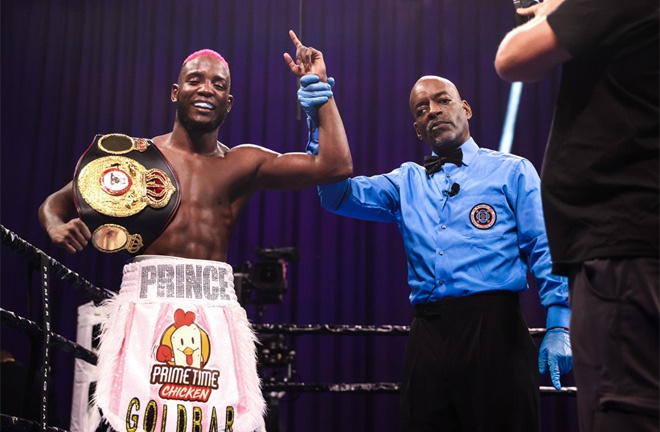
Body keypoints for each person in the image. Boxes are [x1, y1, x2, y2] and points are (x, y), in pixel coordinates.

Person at [38, 30, 352, 432]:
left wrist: (318, 88)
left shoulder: (244, 163)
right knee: (135, 423)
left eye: (218, 84)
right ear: (175, 92)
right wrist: (56, 227)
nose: (206, 89)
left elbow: (335, 165)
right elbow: (56, 202)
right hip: (144, 302)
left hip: (214, 307)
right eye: (195, 80)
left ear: (229, 102)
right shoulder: (137, 158)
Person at [299, 74, 572, 431]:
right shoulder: (405, 180)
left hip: (495, 330)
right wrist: (320, 118)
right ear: (417, 129)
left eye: (443, 100)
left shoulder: (512, 170)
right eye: (422, 108)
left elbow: (546, 246)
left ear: (466, 109)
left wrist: (558, 324)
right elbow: (337, 195)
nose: (434, 111)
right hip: (428, 334)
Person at [494, 1, 659, 431]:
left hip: (624, 252)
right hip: (633, 245)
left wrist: (554, 8)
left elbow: (513, 59)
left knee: (624, 412)